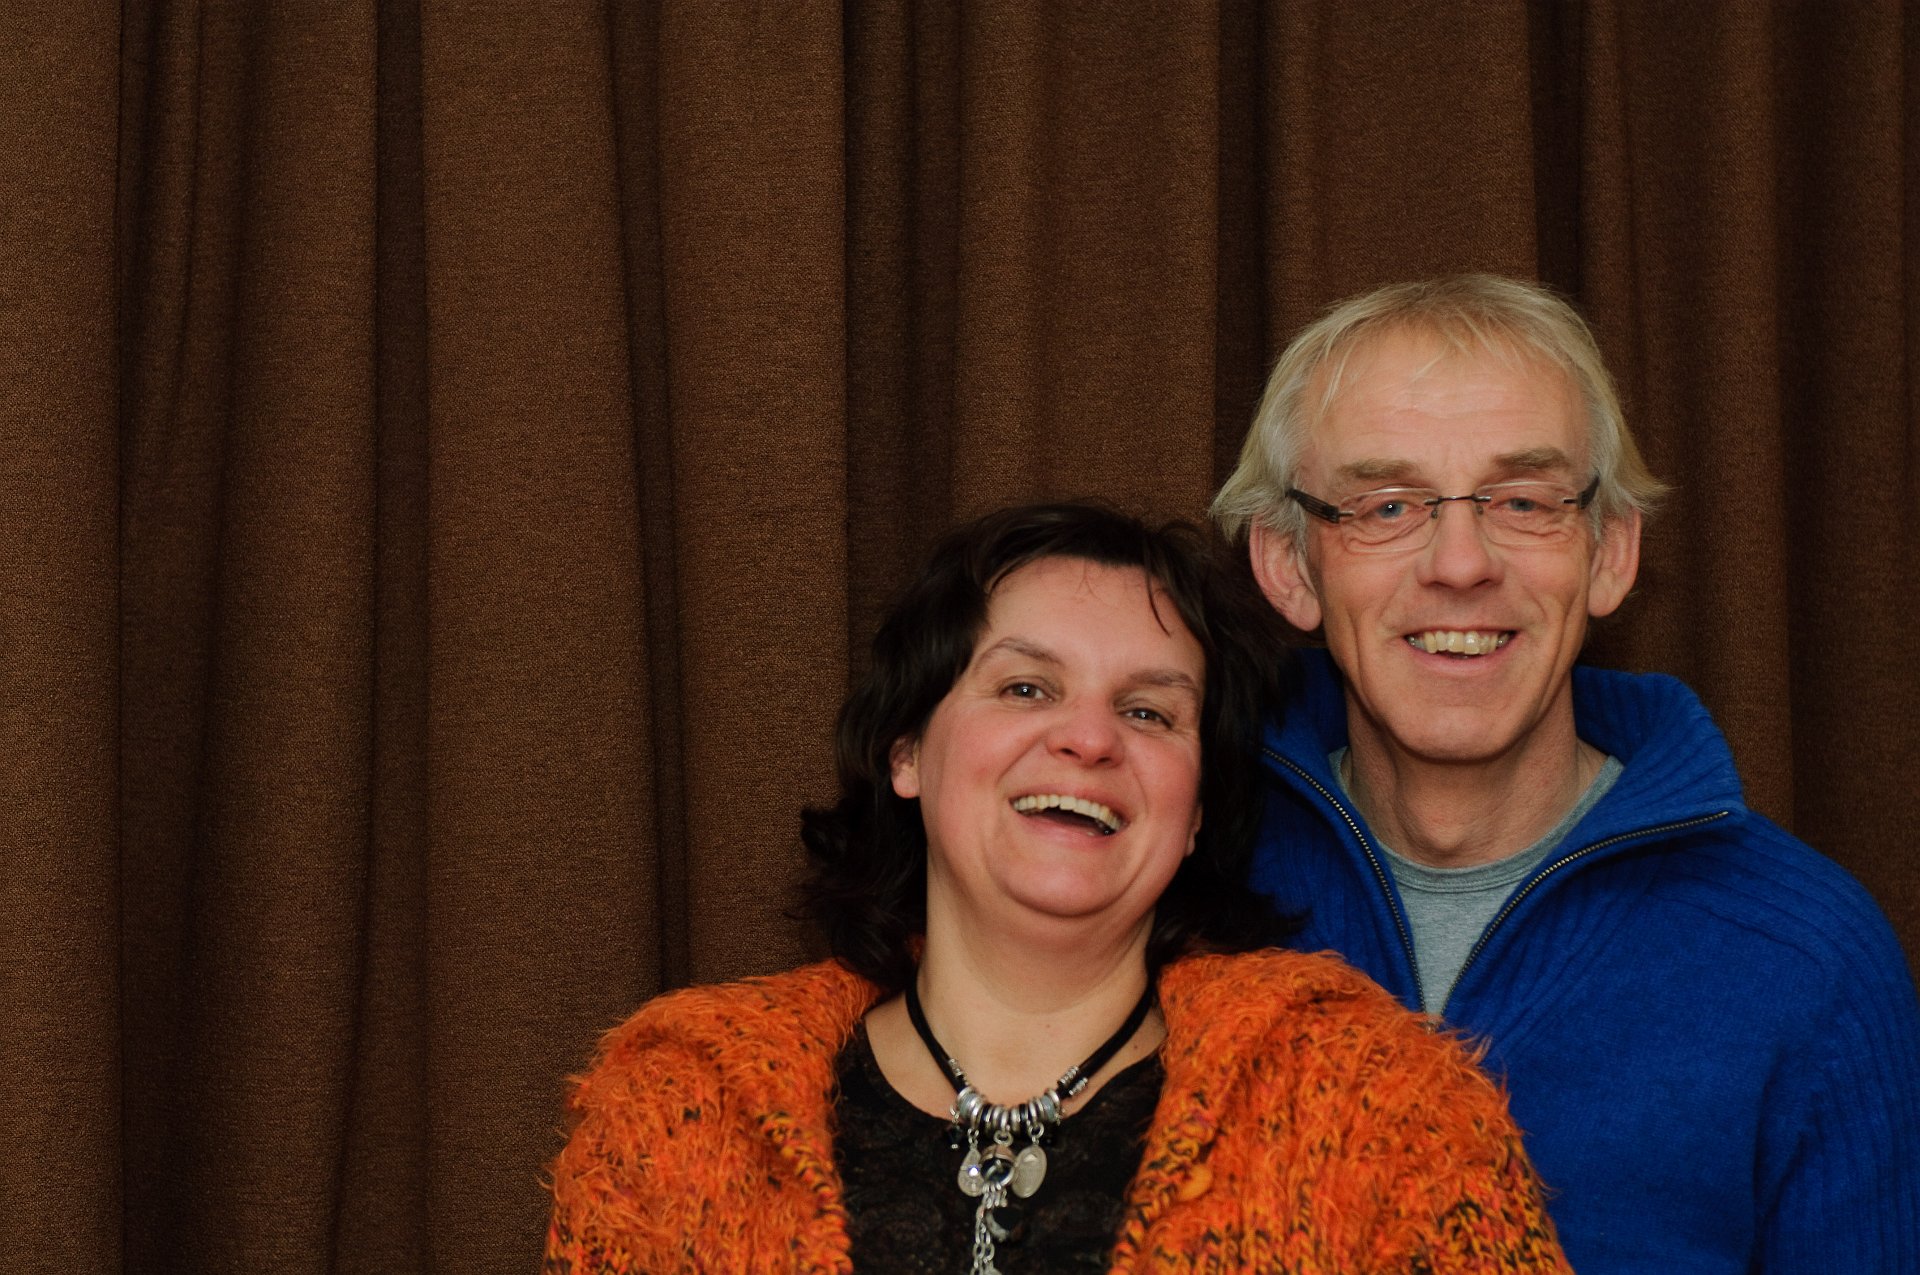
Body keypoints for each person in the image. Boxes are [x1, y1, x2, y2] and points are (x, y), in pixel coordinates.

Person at [543, 503, 1570, 1273]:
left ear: (1198, 807)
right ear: (907, 750)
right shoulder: (675, 1112)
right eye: (1025, 687)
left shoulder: (1384, 1112)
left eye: (1150, 712)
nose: (1087, 738)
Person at [1212, 273, 1920, 1273]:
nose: (1461, 563)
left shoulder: (1812, 960)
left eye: (1524, 501)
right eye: (1387, 505)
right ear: (1289, 565)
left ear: (1609, 551)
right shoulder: (1184, 889)